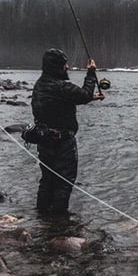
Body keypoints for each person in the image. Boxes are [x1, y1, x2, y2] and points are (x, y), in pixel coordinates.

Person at [30, 48, 105, 217]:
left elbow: (69, 98)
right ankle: (59, 218)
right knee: (64, 181)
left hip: (44, 140)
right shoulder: (61, 86)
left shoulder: (40, 85)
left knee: (47, 179)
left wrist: (93, 97)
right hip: (63, 142)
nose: (68, 67)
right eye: (65, 64)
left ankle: (42, 216)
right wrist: (91, 73)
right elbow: (83, 94)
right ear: (58, 66)